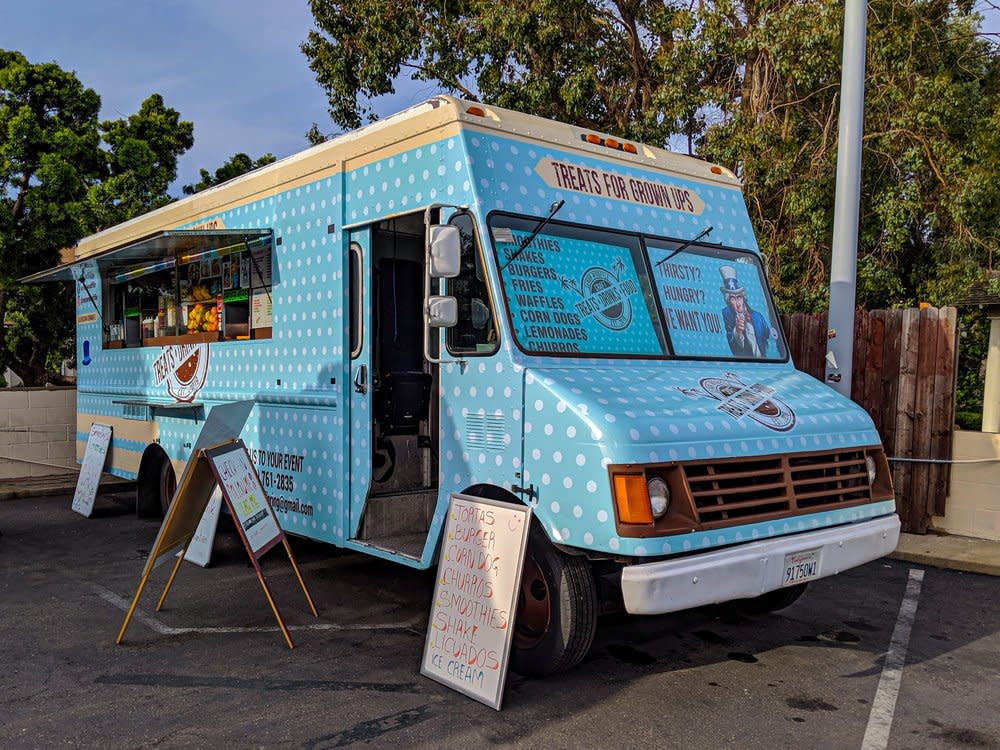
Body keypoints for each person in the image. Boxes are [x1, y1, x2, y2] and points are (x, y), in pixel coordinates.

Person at [719, 265, 772, 357]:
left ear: (744, 298)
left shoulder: (757, 316)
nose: (738, 303)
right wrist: (738, 331)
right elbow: (731, 343)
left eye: (739, 297)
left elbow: (769, 337)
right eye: (733, 298)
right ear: (729, 302)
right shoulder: (727, 315)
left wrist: (751, 323)